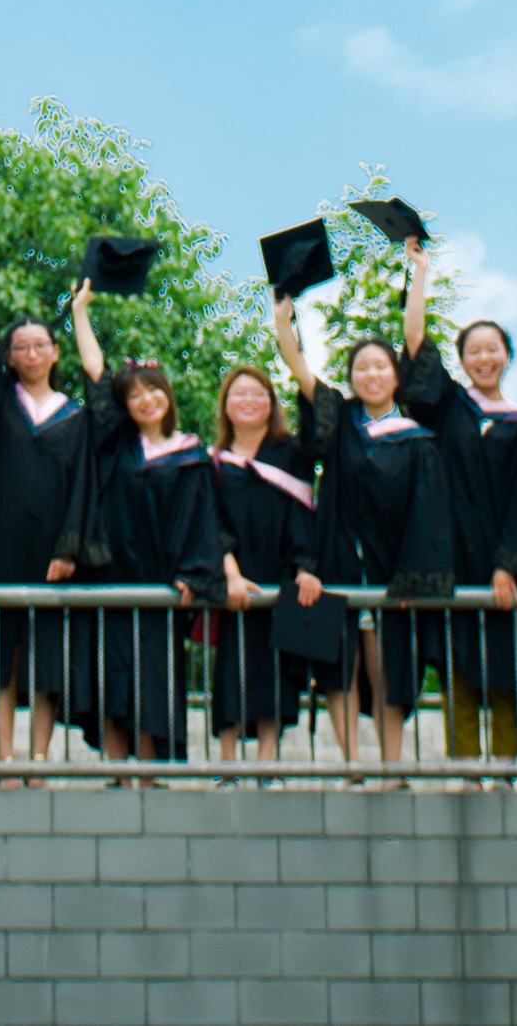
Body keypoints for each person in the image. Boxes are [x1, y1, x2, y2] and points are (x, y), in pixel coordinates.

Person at [63, 284, 234, 765]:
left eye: (152, 391)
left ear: (167, 396)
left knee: (150, 681)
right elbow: (97, 379)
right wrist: (80, 314)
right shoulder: (115, 444)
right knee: (111, 679)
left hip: (161, 585)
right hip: (111, 577)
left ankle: (148, 773)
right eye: (134, 395)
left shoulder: (191, 453)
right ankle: (120, 773)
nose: (144, 400)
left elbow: (202, 519)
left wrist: (194, 573)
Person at [396, 238, 517, 762]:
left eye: (493, 349)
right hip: (452, 558)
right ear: (461, 360)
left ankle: (507, 772)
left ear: (507, 356)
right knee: (459, 669)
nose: (484, 357)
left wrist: (510, 565)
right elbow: (414, 345)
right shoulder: (450, 407)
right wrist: (421, 275)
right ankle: (465, 773)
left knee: (506, 672)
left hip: (502, 568)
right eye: (474, 350)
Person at [0, 223, 91, 766]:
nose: (29, 351)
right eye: (19, 346)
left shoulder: (75, 419)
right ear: (9, 357)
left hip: (51, 554)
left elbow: (84, 489)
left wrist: (69, 547)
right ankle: (6, 757)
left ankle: (37, 759)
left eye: (39, 344)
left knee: (47, 661)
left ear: (56, 353)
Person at [304, 330, 453, 773]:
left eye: (380, 366)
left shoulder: (418, 440)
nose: (371, 374)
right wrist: (285, 323)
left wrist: (413, 575)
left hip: (392, 572)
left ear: (396, 376)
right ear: (350, 377)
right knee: (335, 665)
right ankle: (351, 766)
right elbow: (300, 374)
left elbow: (427, 513)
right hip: (334, 565)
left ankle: (392, 768)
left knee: (388, 668)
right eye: (361, 367)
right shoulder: (340, 424)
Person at [208, 302, 331, 766]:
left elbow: (304, 516)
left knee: (276, 670)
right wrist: (231, 573)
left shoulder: (291, 454)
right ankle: (226, 764)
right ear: (226, 405)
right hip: (236, 583)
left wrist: (304, 567)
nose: (249, 401)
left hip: (281, 578)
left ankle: (268, 762)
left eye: (258, 395)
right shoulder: (213, 462)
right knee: (231, 670)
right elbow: (211, 523)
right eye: (239, 395)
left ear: (270, 403)